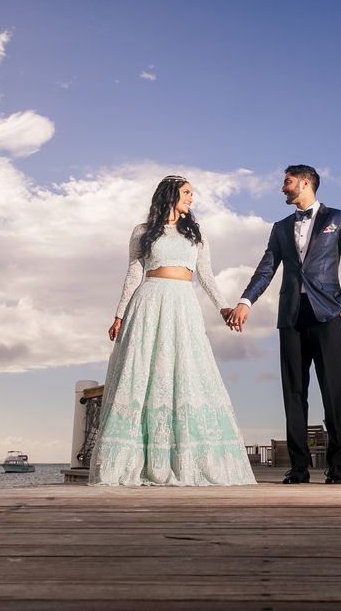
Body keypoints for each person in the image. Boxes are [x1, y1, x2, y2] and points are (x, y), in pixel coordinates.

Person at [90, 175, 256, 486]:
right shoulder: (142, 232)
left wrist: (223, 308)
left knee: (185, 372)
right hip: (149, 302)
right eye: (187, 193)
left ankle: (187, 459)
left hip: (183, 305)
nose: (192, 199)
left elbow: (205, 274)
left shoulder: (196, 233)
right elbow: (133, 272)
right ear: (170, 195)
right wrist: (119, 315)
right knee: (145, 375)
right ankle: (136, 462)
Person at [227, 165, 341, 484]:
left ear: (305, 183)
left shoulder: (339, 219)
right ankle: (299, 468)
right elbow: (266, 269)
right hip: (290, 315)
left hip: (327, 314)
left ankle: (338, 467)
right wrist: (245, 301)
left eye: (287, 182)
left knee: (333, 392)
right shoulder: (280, 227)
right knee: (293, 393)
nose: (282, 188)